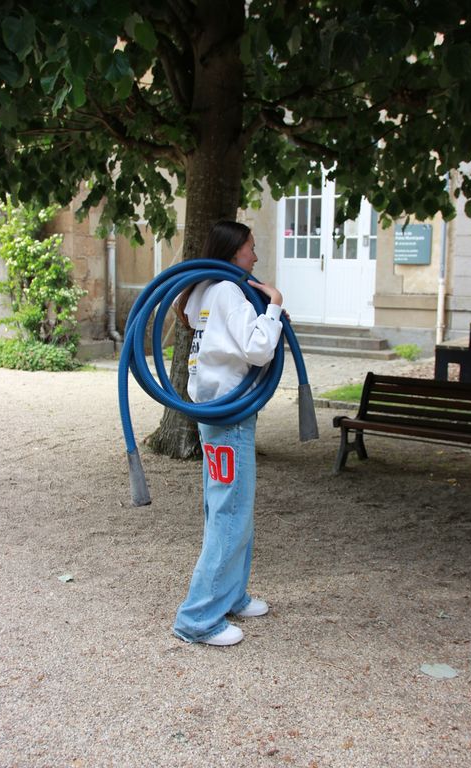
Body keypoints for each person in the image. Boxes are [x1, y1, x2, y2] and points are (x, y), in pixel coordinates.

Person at [172, 220, 284, 646]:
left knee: (229, 505)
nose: (255, 256)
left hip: (212, 408)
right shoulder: (228, 291)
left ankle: (232, 594)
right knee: (230, 512)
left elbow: (222, 334)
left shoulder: (202, 290)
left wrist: (263, 313)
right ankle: (198, 619)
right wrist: (274, 305)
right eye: (251, 247)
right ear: (235, 250)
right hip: (230, 414)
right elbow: (258, 350)